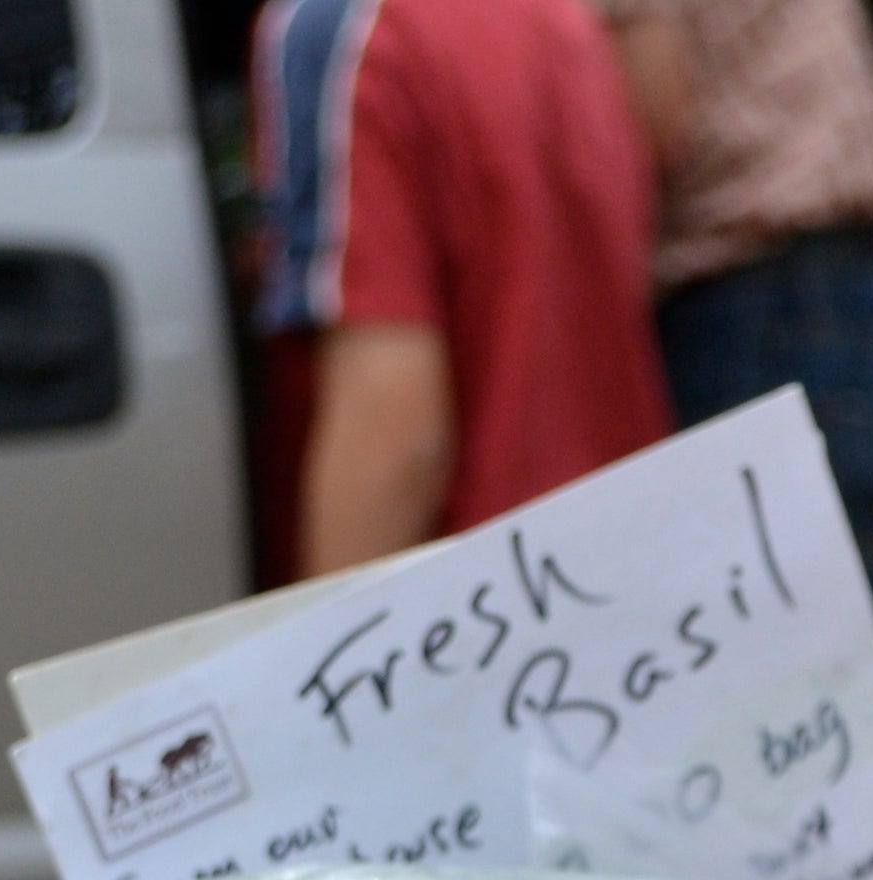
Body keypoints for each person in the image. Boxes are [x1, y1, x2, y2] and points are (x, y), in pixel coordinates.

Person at [246, 0, 676, 582]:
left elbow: (396, 436)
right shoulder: (565, 20)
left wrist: (329, 652)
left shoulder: (347, 30)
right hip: (615, 562)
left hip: (470, 601)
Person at [599, 0, 873, 605]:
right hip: (854, 300)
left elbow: (648, 121)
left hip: (761, 316)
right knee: (836, 645)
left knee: (787, 664)